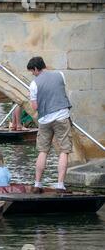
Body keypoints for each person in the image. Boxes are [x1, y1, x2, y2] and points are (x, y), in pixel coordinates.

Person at [27, 56, 73, 193]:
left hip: (45, 120)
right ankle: (60, 185)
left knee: (43, 151)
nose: (32, 74)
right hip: (61, 116)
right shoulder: (60, 75)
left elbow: (34, 107)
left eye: (32, 71)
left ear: (36, 68)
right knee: (64, 150)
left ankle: (37, 184)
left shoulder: (34, 84)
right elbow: (60, 92)